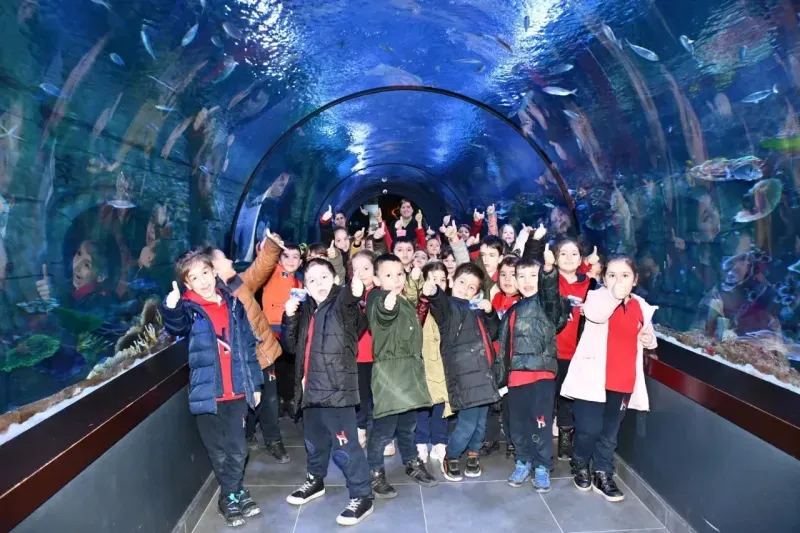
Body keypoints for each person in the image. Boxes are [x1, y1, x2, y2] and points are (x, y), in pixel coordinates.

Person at [161, 248, 264, 527]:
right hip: (208, 395)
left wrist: (255, 383)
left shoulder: (233, 304)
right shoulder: (189, 310)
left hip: (237, 391)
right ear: (187, 284)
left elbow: (248, 346)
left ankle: (230, 494)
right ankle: (235, 494)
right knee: (218, 451)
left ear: (214, 271)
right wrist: (171, 309)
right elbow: (177, 326)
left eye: (205, 272)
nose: (203, 281)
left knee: (238, 450)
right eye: (194, 277)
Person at [282, 259, 374, 526]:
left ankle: (362, 495)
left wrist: (354, 294)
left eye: (324, 276)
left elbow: (355, 318)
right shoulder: (308, 310)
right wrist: (290, 317)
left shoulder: (341, 305)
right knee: (314, 442)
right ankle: (315, 480)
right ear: (306, 288)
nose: (318, 283)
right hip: (310, 390)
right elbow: (291, 346)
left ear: (335, 279)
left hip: (337, 391)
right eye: (312, 280)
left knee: (345, 448)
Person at [560, 256, 657, 502]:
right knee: (588, 429)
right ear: (604, 278)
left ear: (635, 280)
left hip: (623, 381)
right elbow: (597, 315)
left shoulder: (641, 305)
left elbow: (648, 335)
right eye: (612, 275)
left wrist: (649, 340)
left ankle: (603, 472)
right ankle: (580, 462)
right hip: (592, 380)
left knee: (609, 433)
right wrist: (613, 295)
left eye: (625, 275)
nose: (618, 280)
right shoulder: (596, 298)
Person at [210, 232, 289, 464]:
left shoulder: (240, 283)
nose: (230, 261)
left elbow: (260, 268)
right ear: (213, 269)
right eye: (224, 259)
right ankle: (249, 434)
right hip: (240, 361)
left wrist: (272, 244)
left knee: (270, 399)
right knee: (248, 402)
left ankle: (274, 440)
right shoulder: (214, 298)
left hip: (263, 352)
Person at [495, 247, 569, 493]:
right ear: (515, 281)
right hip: (515, 378)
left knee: (541, 424)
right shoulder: (512, 310)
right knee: (517, 425)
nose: (527, 281)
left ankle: (542, 466)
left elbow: (550, 293)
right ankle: (523, 461)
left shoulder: (546, 304)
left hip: (541, 376)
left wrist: (548, 271)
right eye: (521, 276)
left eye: (533, 276)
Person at [366, 254, 437, 498]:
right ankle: (374, 471)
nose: (396, 279)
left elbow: (411, 300)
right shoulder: (377, 298)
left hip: (409, 373)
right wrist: (387, 306)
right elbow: (383, 313)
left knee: (408, 425)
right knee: (384, 429)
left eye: (399, 274)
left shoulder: (403, 298)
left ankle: (411, 461)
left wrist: (415, 282)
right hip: (389, 375)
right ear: (376, 279)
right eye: (388, 275)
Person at [425, 262, 501, 481]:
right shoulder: (450, 307)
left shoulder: (475, 311)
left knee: (480, 422)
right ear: (451, 282)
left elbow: (494, 333)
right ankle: (452, 454)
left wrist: (490, 313)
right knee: (467, 423)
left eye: (471, 287)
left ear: (477, 292)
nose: (465, 289)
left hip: (484, 374)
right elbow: (440, 305)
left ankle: (474, 453)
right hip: (463, 375)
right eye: (461, 282)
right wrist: (434, 293)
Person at [552, 239, 598, 461]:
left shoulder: (590, 285)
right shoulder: (549, 281)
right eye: (563, 253)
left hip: (576, 353)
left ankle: (565, 437)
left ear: (581, 259)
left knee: (567, 398)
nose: (569, 258)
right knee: (545, 397)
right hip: (549, 350)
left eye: (574, 254)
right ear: (555, 258)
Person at [413, 261, 452, 465]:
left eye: (442, 280)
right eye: (433, 279)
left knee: (442, 403)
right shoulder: (418, 305)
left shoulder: (450, 305)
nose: (437, 284)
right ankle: (420, 441)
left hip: (442, 362)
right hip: (422, 361)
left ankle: (440, 441)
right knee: (422, 404)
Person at [350, 250, 377, 448]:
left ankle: (380, 434)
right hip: (357, 355)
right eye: (355, 269)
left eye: (366, 268)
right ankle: (360, 428)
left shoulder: (381, 293)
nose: (360, 273)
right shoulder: (348, 294)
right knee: (360, 396)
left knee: (378, 396)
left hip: (379, 355)